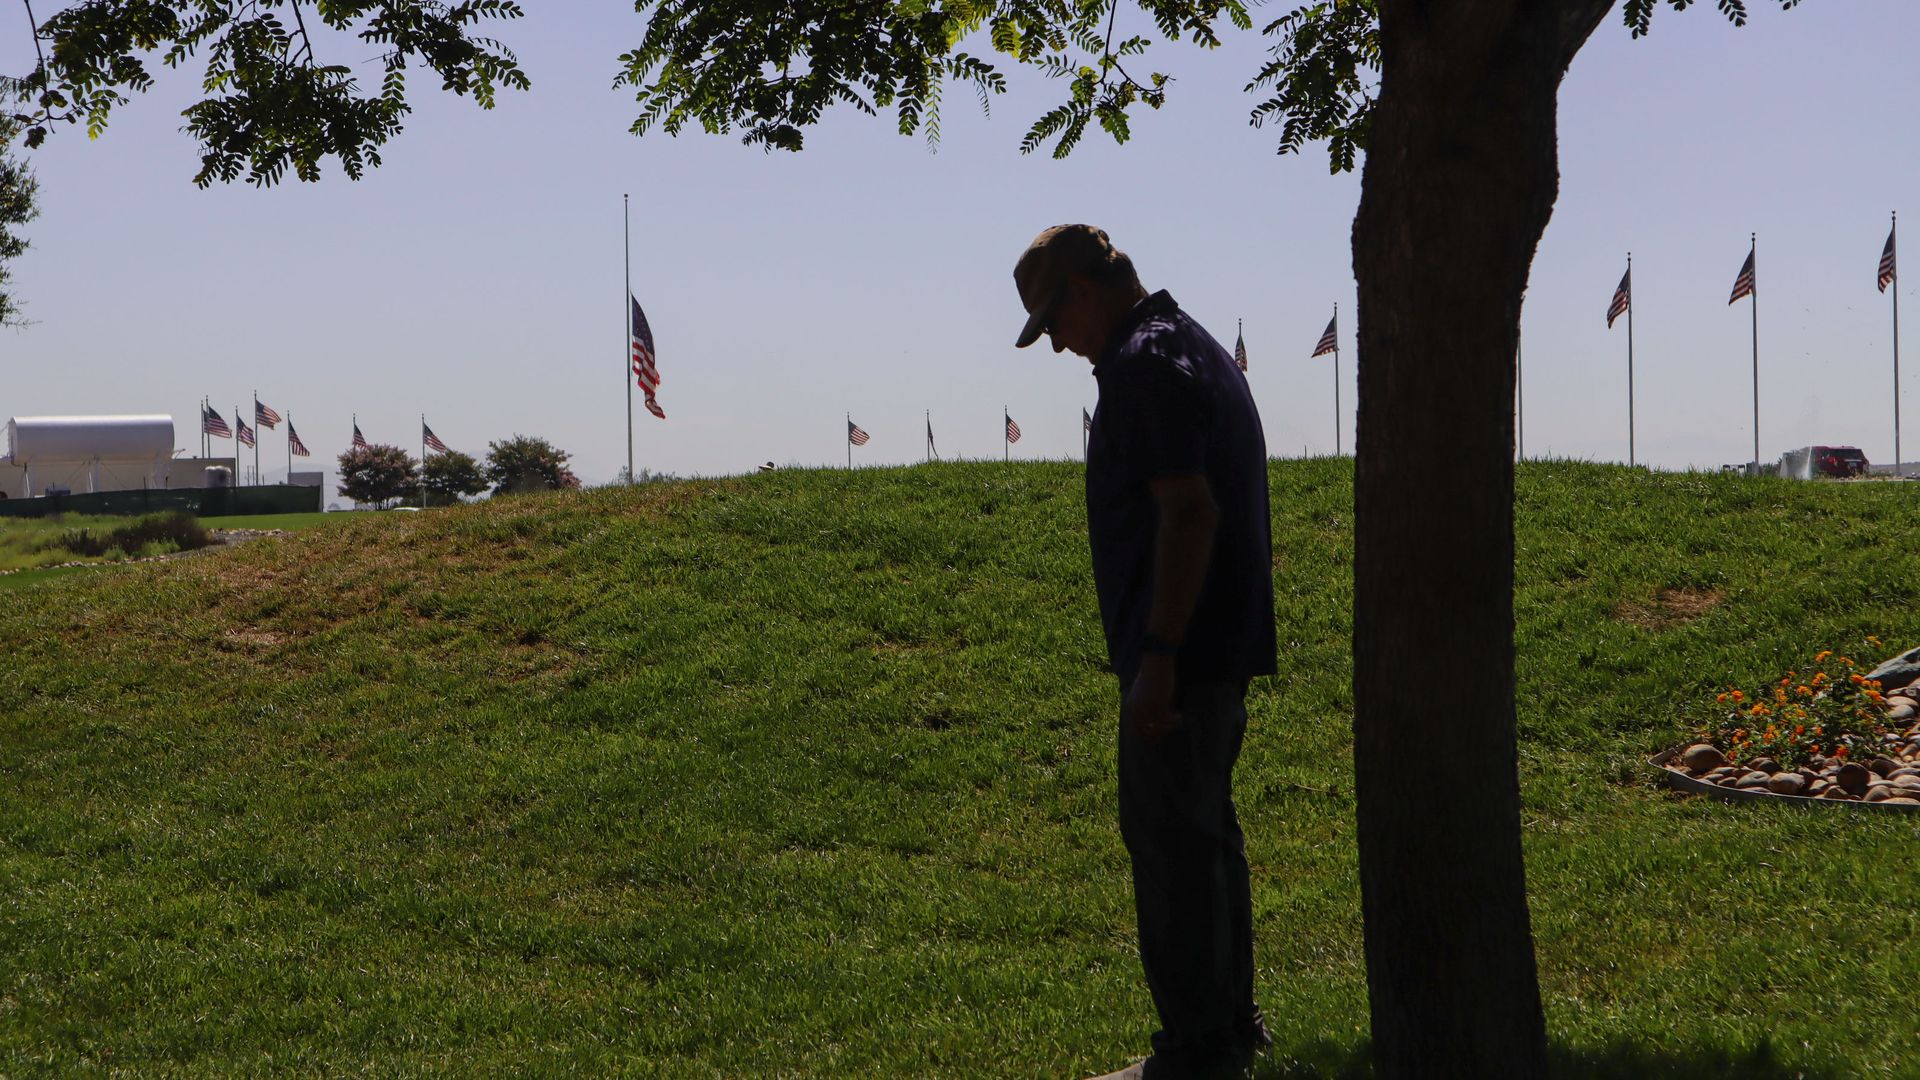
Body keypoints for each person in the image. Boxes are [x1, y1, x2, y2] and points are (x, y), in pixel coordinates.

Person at [1012, 224, 1277, 1079]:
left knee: (1169, 844)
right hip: (1214, 653)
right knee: (1205, 839)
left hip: (1182, 660)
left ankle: (1199, 1052)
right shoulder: (1188, 344)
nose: (1056, 343)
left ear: (1084, 293)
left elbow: (1188, 512)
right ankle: (1229, 1030)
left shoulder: (1139, 369)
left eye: (1053, 322)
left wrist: (1158, 654)